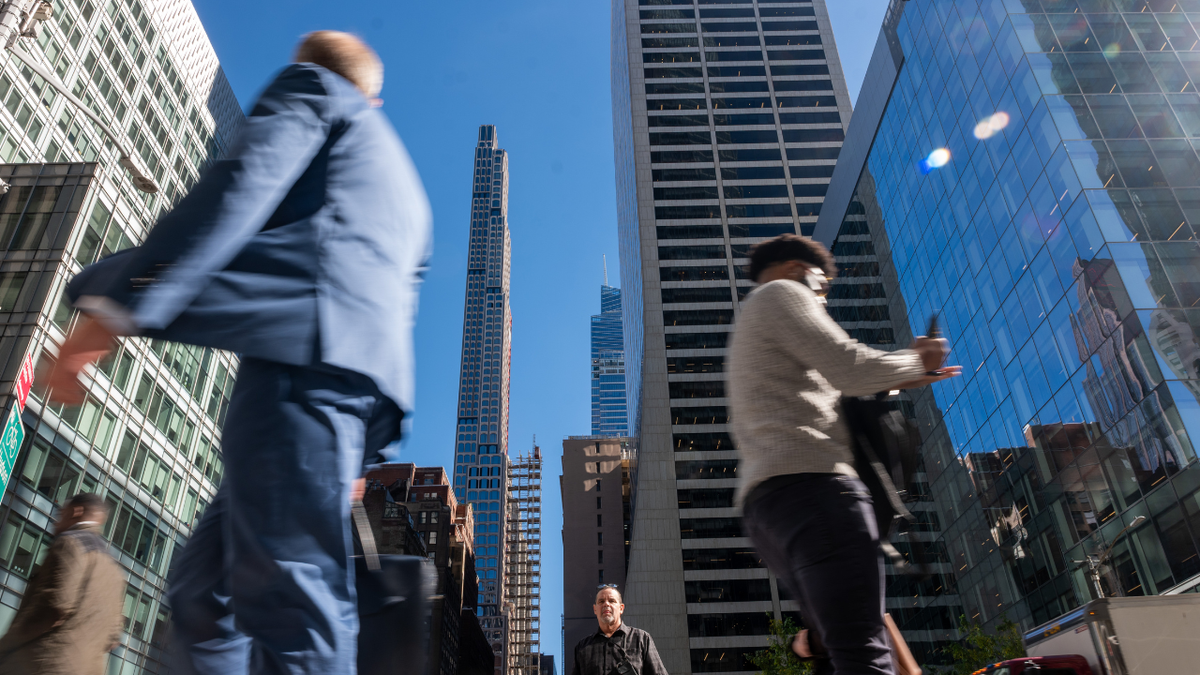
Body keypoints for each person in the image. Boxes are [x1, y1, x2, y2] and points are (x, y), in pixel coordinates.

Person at [46, 31, 432, 674]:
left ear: (306, 66)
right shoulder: (409, 199)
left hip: (300, 367)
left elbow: (238, 189)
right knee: (203, 590)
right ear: (378, 100)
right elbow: (394, 316)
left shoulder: (312, 90)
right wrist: (363, 450)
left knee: (293, 597)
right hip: (344, 392)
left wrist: (118, 306)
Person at [727, 235, 960, 675]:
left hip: (769, 507)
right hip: (817, 489)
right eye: (824, 286)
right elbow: (850, 367)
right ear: (802, 269)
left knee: (837, 652)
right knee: (863, 657)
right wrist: (916, 359)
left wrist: (901, 378)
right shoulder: (783, 293)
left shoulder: (754, 321)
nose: (823, 298)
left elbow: (825, 390)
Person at [0, 493, 124, 675]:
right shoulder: (115, 571)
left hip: (44, 665)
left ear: (76, 511)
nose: (55, 523)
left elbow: (53, 606)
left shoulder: (69, 544)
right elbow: (113, 638)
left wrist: (6, 646)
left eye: (60, 515)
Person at [571, 586, 668, 675]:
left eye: (612, 601)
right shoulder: (582, 647)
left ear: (621, 608)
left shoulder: (641, 639)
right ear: (595, 609)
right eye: (601, 601)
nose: (606, 604)